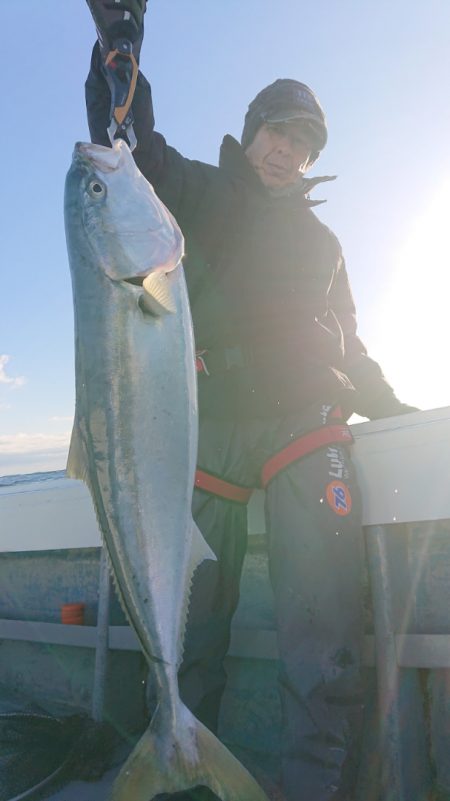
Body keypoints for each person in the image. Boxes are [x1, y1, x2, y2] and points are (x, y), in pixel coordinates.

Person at [85, 3, 417, 799]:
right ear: (252, 130)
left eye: (302, 143)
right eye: (278, 132)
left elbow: (352, 344)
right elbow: (131, 147)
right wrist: (116, 51)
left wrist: (396, 411)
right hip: (212, 433)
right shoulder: (199, 194)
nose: (287, 150)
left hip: (308, 426)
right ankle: (184, 774)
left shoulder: (325, 243)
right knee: (191, 640)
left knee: (323, 644)